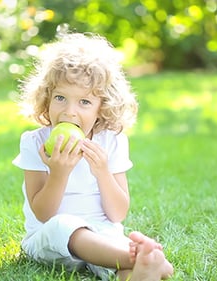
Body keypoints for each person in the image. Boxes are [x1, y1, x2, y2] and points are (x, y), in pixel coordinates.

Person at [12, 32, 173, 281]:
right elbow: (43, 214)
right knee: (64, 225)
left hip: (102, 235)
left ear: (103, 107)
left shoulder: (112, 141)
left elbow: (117, 214)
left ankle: (138, 272)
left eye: (84, 102)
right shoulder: (35, 142)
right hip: (49, 238)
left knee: (113, 252)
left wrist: (103, 172)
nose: (69, 112)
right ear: (47, 98)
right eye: (60, 98)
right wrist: (59, 173)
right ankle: (138, 258)